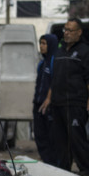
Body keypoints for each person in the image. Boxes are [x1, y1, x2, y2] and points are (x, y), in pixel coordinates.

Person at [41, 18, 89, 176]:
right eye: (65, 30)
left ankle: (85, 170)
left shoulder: (86, 51)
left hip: (76, 102)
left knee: (76, 137)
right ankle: (64, 171)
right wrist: (48, 98)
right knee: (60, 139)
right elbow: (55, 77)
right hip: (58, 102)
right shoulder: (59, 51)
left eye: (69, 30)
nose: (66, 33)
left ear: (79, 32)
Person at [33, 33, 59, 165]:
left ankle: (53, 163)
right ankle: (46, 161)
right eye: (40, 43)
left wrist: (49, 99)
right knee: (39, 135)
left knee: (52, 137)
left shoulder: (55, 61)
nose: (41, 46)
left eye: (44, 44)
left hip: (49, 105)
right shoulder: (42, 63)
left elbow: (55, 81)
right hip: (38, 104)